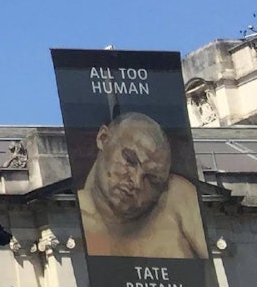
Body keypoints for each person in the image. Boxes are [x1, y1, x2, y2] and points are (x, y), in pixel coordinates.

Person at [77, 111, 209, 259]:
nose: (136, 182)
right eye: (130, 160)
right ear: (103, 138)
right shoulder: (74, 218)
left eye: (152, 179)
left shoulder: (177, 197)